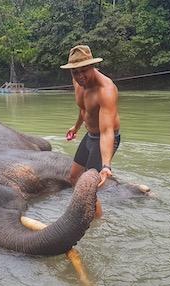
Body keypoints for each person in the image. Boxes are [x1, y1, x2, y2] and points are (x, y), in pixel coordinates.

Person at [60, 45, 120, 218]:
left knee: (89, 187)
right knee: (73, 177)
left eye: (84, 71)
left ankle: (96, 223)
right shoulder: (78, 81)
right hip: (90, 135)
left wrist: (106, 165)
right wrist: (76, 126)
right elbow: (84, 109)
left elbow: (107, 130)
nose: (80, 76)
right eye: (75, 72)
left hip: (105, 137)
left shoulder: (106, 90)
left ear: (93, 66)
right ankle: (87, 209)